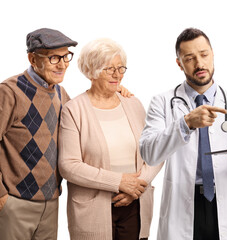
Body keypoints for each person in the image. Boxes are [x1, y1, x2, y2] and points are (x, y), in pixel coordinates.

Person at [0, 28, 131, 240]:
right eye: (54, 57)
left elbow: (85, 117)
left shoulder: (60, 93)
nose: (62, 64)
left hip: (51, 204)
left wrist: (114, 90)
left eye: (66, 57)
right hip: (15, 202)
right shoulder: (9, 91)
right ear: (32, 59)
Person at [139, 28, 227, 240]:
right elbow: (149, 154)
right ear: (179, 63)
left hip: (225, 203)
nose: (199, 64)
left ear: (213, 54)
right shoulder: (163, 102)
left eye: (204, 55)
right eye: (190, 58)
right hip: (182, 204)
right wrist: (185, 123)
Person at [58, 38, 162, 240]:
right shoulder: (74, 109)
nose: (117, 75)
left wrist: (138, 185)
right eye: (109, 69)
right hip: (93, 209)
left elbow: (157, 151)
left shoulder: (134, 104)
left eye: (121, 68)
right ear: (92, 71)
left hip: (135, 203)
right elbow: (68, 166)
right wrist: (120, 182)